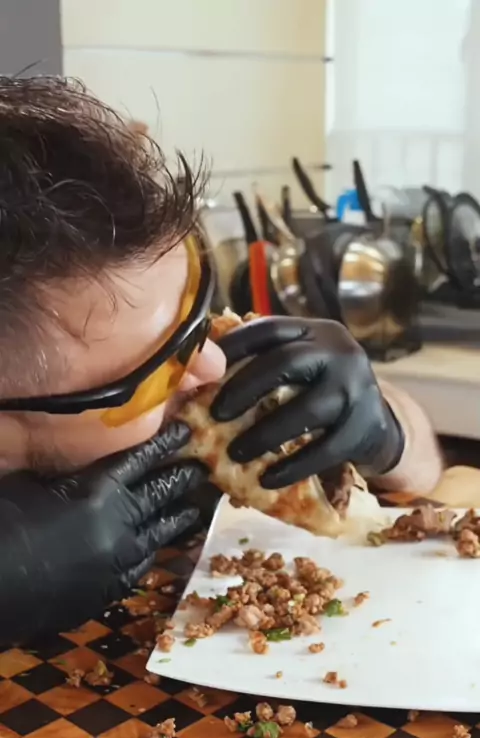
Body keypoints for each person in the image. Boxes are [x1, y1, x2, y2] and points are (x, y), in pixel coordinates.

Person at [0, 76, 442, 647]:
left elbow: (425, 481)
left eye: (197, 311)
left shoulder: (211, 390)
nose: (209, 364)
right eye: (153, 373)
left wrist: (386, 428)